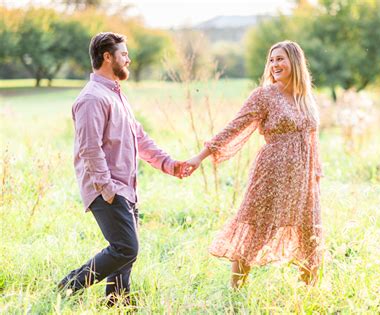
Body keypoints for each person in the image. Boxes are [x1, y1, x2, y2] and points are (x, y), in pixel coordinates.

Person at [58, 32, 187, 306]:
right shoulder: (92, 98)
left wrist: (170, 165)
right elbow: (89, 149)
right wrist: (107, 189)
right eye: (124, 54)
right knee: (126, 247)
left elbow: (139, 137)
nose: (128, 59)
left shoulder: (116, 95)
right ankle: (68, 287)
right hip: (107, 188)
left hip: (126, 187)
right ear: (108, 56)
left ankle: (117, 305)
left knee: (125, 253)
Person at [185, 40, 324, 288]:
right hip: (272, 172)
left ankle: (309, 293)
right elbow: (235, 126)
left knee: (309, 233)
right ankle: (236, 291)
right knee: (257, 228)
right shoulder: (264, 95)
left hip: (304, 178)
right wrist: (200, 156)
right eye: (271, 60)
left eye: (280, 59)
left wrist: (316, 174)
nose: (274, 65)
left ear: (295, 61)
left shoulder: (306, 98)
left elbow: (313, 139)